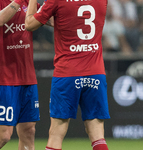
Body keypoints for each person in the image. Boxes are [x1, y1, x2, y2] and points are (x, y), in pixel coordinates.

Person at [25, 0, 110, 150]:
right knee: (97, 134)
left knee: (57, 133)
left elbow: (29, 24)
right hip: (95, 72)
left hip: (67, 73)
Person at [0, 0, 41, 149]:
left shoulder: (30, 2)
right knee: (3, 136)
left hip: (27, 77)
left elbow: (49, 19)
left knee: (29, 131)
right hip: (3, 78)